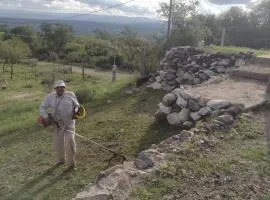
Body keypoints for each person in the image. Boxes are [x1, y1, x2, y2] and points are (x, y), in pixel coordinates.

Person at [39, 80, 80, 170]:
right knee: (58, 143)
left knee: (70, 142)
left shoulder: (70, 94)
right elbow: (42, 107)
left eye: (62, 87)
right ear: (55, 89)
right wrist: (46, 116)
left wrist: (76, 111)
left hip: (69, 123)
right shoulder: (50, 97)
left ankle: (71, 164)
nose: (60, 89)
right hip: (57, 124)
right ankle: (61, 160)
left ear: (64, 87)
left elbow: (77, 105)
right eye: (58, 87)